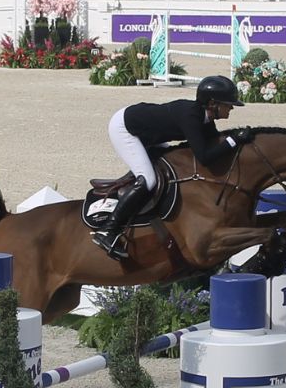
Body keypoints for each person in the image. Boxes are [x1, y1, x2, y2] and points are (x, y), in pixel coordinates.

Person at [95, 76, 250, 260]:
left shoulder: (205, 119)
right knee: (148, 179)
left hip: (150, 134)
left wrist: (235, 140)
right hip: (126, 129)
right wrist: (235, 140)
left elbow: (214, 145)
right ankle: (107, 230)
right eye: (228, 104)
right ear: (212, 103)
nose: (231, 107)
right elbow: (205, 157)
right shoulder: (192, 117)